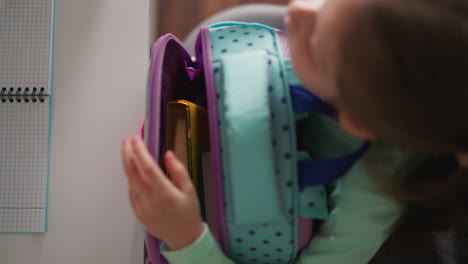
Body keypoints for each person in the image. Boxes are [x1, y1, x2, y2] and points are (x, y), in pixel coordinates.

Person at [121, 0, 468, 263]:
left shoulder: (371, 202)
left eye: (317, 43)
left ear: (355, 122)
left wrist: (188, 239)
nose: (300, 9)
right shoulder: (364, 56)